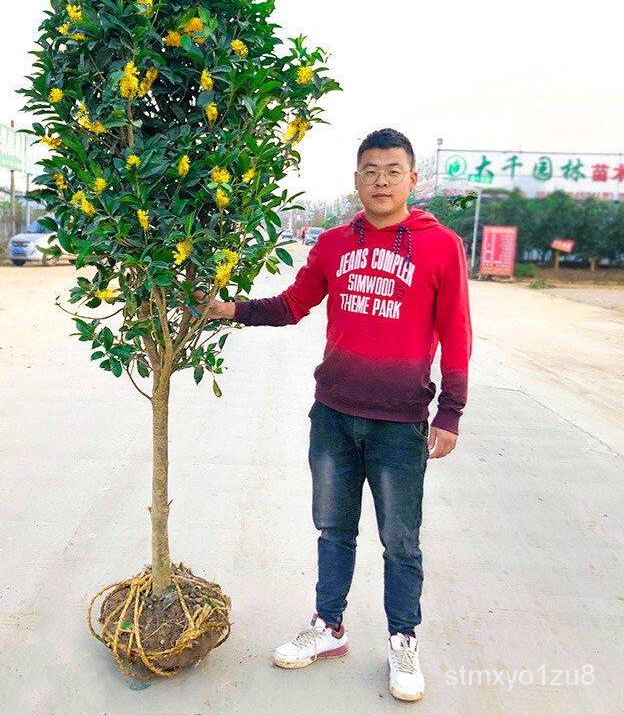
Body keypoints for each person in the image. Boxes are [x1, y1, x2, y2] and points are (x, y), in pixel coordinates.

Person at [200, 127, 472, 701]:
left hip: (400, 422)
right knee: (333, 529)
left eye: (393, 170)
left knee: (400, 539)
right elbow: (294, 304)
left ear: (411, 180)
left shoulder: (440, 245)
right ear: (355, 180)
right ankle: (329, 627)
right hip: (334, 417)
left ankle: (403, 640)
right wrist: (230, 310)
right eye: (370, 170)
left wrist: (449, 414)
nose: (381, 180)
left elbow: (457, 334)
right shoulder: (333, 245)